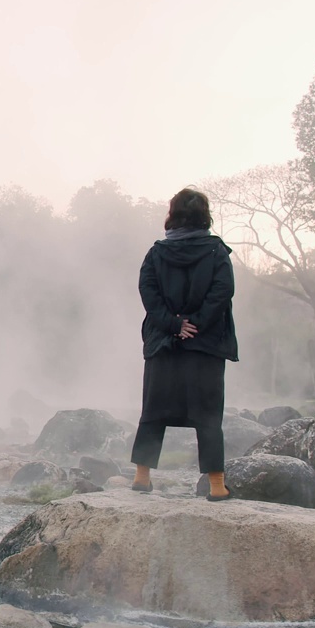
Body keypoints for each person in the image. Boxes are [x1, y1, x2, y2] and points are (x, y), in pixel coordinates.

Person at [130, 187, 238, 500]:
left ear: (172, 215)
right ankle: (217, 486)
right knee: (208, 415)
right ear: (205, 216)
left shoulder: (156, 253)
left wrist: (173, 325)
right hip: (204, 346)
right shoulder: (217, 252)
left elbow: (148, 292)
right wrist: (195, 324)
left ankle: (141, 478)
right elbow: (222, 291)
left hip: (164, 343)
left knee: (153, 410)